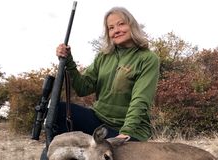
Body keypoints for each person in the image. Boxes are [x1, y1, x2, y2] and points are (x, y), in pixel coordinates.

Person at [55, 6, 160, 141]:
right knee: (58, 110)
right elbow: (83, 88)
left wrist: (126, 132)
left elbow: (140, 100)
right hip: (100, 123)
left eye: (121, 24)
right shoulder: (103, 56)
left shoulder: (148, 59)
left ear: (132, 26)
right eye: (111, 28)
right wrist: (69, 61)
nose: (116, 30)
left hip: (129, 129)